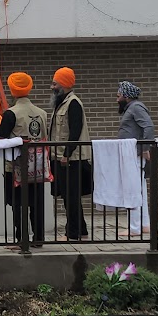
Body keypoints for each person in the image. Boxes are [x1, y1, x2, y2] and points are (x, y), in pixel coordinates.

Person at [0, 72, 48, 249]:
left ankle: (21, 239)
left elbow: (1, 138)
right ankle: (39, 238)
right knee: (37, 202)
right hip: (39, 165)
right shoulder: (42, 113)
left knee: (18, 204)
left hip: (16, 167)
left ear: (12, 90)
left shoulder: (11, 113)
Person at [48, 67, 91, 242]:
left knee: (71, 196)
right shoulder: (62, 103)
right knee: (69, 196)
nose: (52, 87)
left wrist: (67, 153)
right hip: (62, 157)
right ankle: (81, 230)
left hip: (71, 159)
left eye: (55, 83)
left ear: (64, 84)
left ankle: (72, 233)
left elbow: (75, 130)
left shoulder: (73, 103)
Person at [117, 80, 155, 237]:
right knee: (139, 189)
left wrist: (145, 148)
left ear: (126, 96)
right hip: (132, 153)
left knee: (132, 189)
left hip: (134, 153)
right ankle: (144, 224)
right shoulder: (133, 107)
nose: (117, 98)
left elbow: (149, 126)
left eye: (119, 95)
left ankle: (134, 227)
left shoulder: (136, 107)